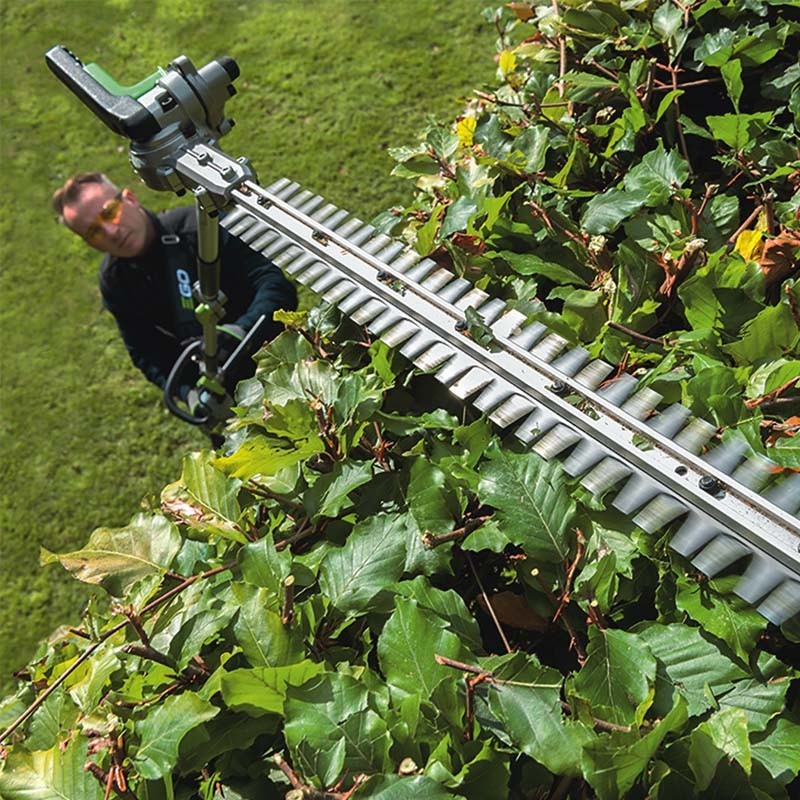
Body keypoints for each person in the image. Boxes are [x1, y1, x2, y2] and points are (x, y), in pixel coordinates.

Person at [52, 172, 297, 428]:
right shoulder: (115, 281)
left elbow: (275, 286)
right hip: (223, 398)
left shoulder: (203, 227)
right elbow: (146, 352)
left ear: (130, 199)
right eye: (94, 232)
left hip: (279, 361)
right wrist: (188, 393)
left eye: (109, 212)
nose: (110, 231)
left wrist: (241, 331)